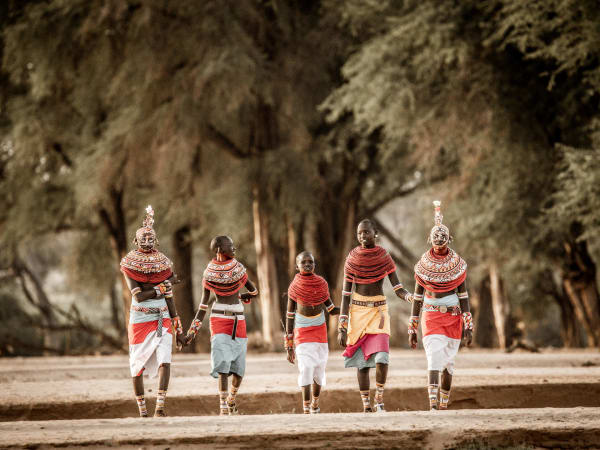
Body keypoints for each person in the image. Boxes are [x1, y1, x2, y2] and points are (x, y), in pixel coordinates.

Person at [338, 219, 413, 412]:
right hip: (358, 314)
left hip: (379, 313)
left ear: (375, 233)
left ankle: (379, 398)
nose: (363, 236)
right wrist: (342, 326)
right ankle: (366, 405)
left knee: (382, 358)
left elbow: (397, 288)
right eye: (360, 233)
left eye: (366, 232)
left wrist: (410, 297)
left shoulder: (383, 257)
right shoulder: (352, 258)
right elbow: (346, 295)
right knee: (362, 364)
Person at [120, 205, 185, 417]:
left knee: (165, 360)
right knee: (136, 365)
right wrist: (165, 284)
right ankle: (142, 412)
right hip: (139, 319)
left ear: (156, 241)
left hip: (163, 318)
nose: (147, 242)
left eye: (150, 239)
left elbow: (169, 298)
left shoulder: (163, 263)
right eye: (143, 239)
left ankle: (160, 408)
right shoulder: (130, 264)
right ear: (135, 242)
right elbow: (138, 295)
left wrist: (179, 329)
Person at [408, 200, 473, 410]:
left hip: (453, 319)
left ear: (449, 240)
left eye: (442, 239)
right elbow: (418, 298)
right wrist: (413, 327)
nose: (439, 243)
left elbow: (463, 296)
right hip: (431, 316)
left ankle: (444, 404)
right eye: (435, 239)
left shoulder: (458, 265)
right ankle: (433, 404)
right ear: (430, 240)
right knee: (434, 356)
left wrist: (468, 326)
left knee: (448, 364)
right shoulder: (423, 266)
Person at [184, 235, 258, 415]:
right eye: (229, 246)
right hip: (218, 319)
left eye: (233, 245)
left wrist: (242, 296)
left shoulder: (238, 269)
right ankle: (223, 407)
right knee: (223, 364)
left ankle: (231, 398)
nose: (234, 248)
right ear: (219, 250)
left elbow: (254, 291)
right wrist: (191, 332)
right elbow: (203, 305)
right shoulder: (209, 272)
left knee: (239, 369)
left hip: (238, 319)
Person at [285, 251, 340, 414]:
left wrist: (347, 309)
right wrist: (289, 343)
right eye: (303, 262)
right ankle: (306, 407)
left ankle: (316, 403)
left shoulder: (322, 284)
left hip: (320, 330)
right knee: (306, 367)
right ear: (297, 266)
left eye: (310, 262)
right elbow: (289, 315)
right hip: (302, 331)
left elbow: (330, 309)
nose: (307, 265)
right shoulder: (294, 287)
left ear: (315, 265)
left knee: (319, 368)